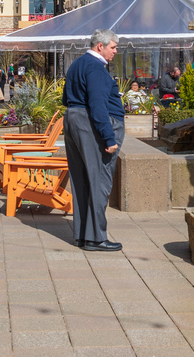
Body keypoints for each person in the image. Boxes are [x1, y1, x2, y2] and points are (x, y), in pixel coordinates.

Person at [62, 29, 126, 251]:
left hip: (72, 118)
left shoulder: (77, 64)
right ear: (100, 46)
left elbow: (65, 97)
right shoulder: (96, 67)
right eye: (113, 47)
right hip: (88, 123)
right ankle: (96, 238)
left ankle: (83, 235)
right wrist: (109, 137)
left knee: (82, 180)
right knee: (99, 180)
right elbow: (98, 105)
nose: (115, 51)